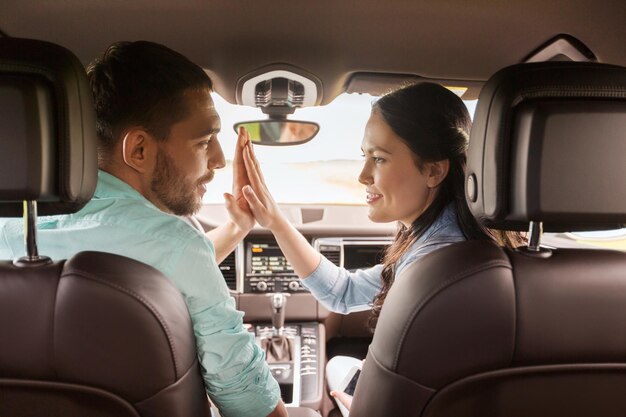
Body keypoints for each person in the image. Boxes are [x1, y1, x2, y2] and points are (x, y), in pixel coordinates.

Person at [0, 41, 287, 417]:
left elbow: (154, 271)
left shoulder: (8, 236)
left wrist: (235, 229)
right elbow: (245, 397)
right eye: (204, 141)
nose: (218, 159)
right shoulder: (177, 245)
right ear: (138, 150)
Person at [237, 82, 524, 415]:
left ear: (433, 170)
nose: (362, 175)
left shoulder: (430, 269)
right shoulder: (465, 246)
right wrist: (275, 221)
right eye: (364, 156)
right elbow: (343, 293)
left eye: (379, 159)